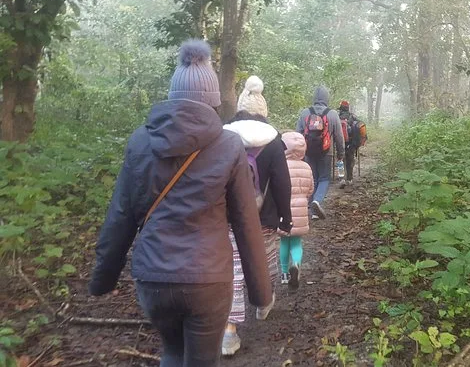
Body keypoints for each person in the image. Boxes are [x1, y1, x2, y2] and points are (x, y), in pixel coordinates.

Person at [88, 40, 273, 367]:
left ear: (172, 95)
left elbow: (121, 215)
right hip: (209, 279)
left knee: (173, 353)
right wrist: (261, 292)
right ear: (213, 100)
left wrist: (103, 277)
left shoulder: (140, 141)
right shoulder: (229, 146)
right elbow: (246, 223)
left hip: (153, 278)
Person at [220, 75, 293, 356]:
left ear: (240, 108)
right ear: (263, 111)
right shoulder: (274, 141)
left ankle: (229, 331)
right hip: (264, 216)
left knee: (234, 270)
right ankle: (263, 303)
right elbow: (282, 183)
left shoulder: (224, 137)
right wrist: (286, 217)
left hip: (230, 216)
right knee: (266, 260)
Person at [296, 86, 345, 220]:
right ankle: (317, 201)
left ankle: (313, 210)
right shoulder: (332, 114)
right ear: (327, 98)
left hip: (308, 152)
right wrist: (341, 154)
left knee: (313, 178)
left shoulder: (305, 113)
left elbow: (297, 134)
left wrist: (298, 154)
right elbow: (339, 136)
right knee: (324, 178)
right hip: (326, 152)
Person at [279, 132, 314, 289]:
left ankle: (284, 274)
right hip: (300, 210)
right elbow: (310, 189)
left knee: (284, 241)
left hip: (283, 209)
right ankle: (296, 264)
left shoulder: (280, 166)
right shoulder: (306, 167)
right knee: (296, 242)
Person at [337, 100, 359, 188]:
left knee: (340, 159)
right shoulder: (353, 116)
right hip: (351, 142)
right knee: (350, 159)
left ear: (341, 108)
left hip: (339, 142)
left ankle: (341, 178)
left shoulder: (337, 116)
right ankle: (349, 179)